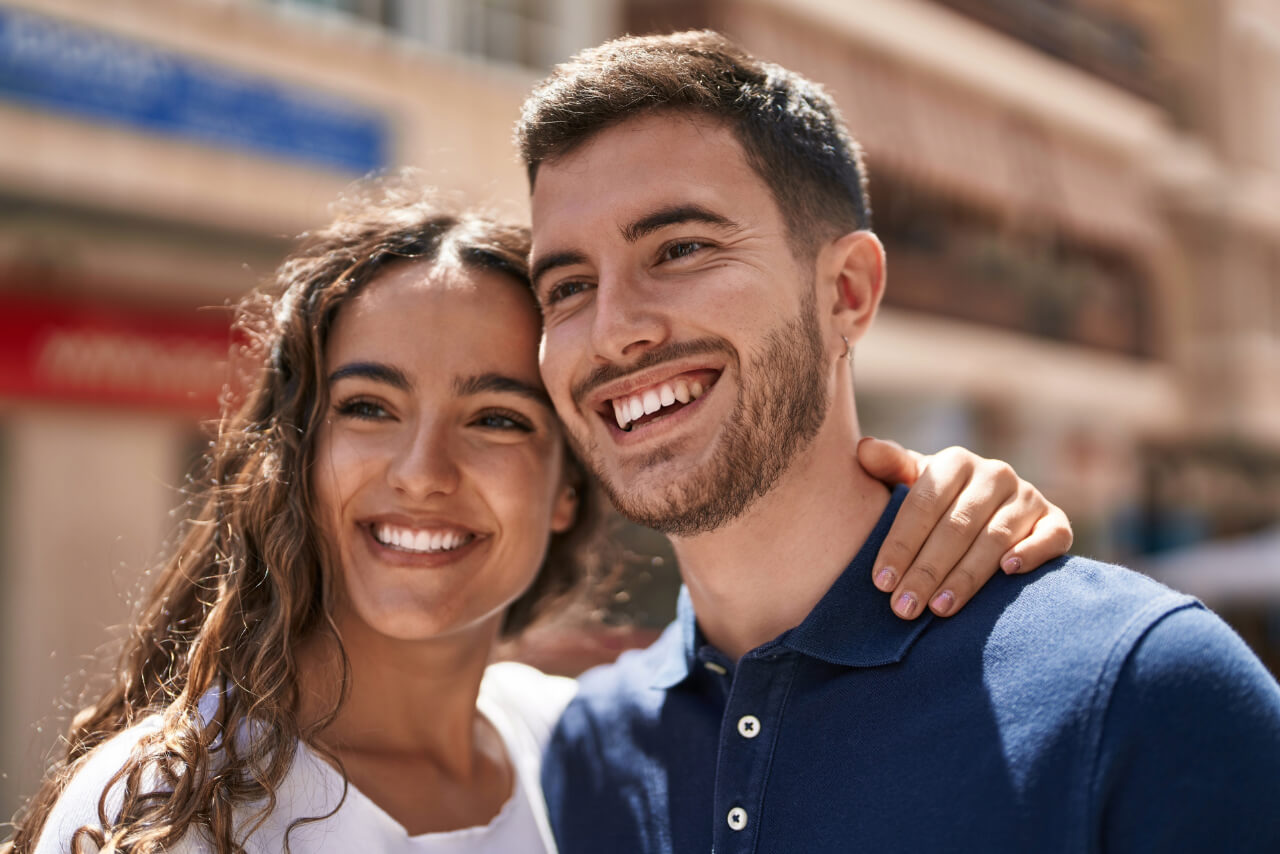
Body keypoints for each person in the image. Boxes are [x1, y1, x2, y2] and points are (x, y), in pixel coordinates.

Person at [5, 180, 1070, 854]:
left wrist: (942, 508)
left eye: (496, 417)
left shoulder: (589, 750)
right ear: (300, 454)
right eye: (368, 407)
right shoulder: (156, 807)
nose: (422, 471)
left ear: (569, 483)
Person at [517, 30, 1280, 853]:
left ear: (847, 292)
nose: (612, 331)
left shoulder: (1140, 686)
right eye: (568, 287)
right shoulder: (586, 755)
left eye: (682, 249)